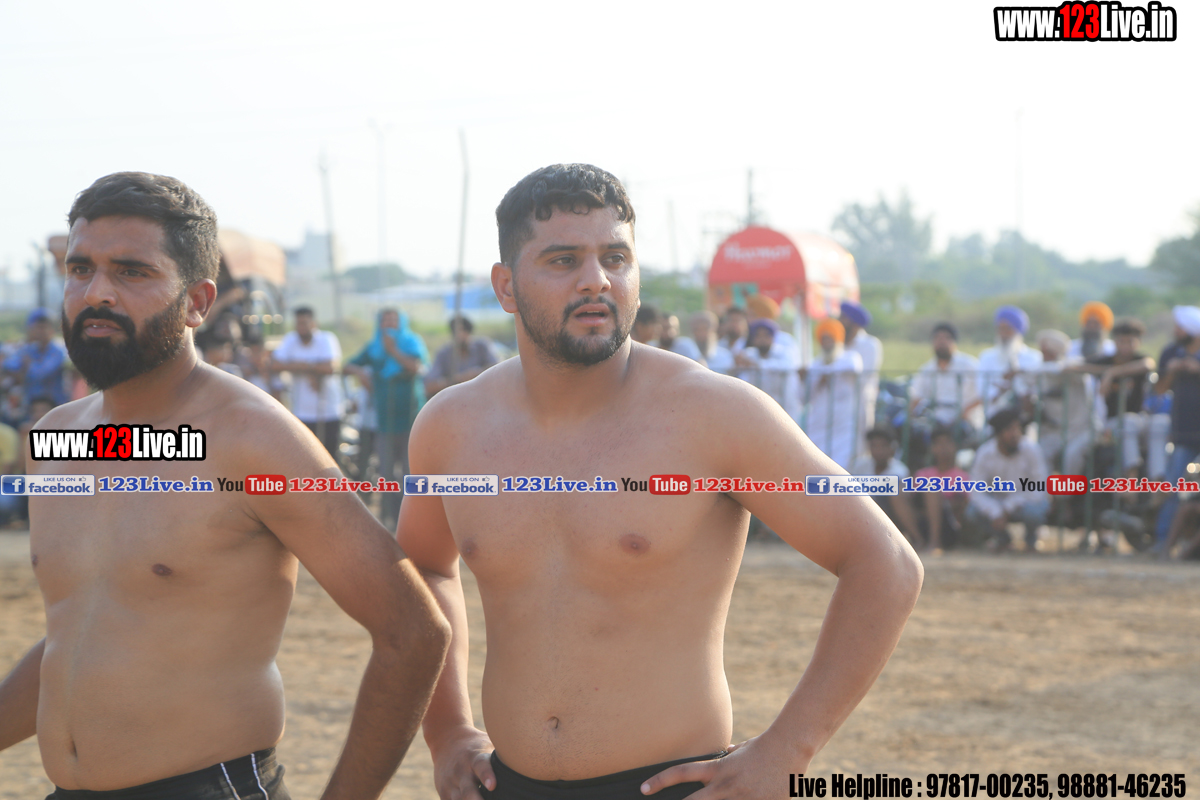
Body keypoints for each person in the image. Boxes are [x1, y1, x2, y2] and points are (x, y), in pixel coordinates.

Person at [398, 163, 922, 800]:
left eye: (615, 257)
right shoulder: (450, 427)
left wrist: (789, 749)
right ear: (506, 287)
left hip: (673, 786)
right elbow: (425, 569)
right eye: (563, 260)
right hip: (506, 785)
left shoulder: (714, 415)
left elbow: (886, 562)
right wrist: (446, 729)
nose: (596, 280)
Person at [0, 172, 450, 800]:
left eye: (131, 272)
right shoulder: (55, 439)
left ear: (197, 302)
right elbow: (85, 625)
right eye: (81, 269)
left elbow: (413, 631)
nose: (96, 292)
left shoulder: (251, 439)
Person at [345, 308, 429, 529]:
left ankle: (414, 521)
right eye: (385, 320)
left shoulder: (411, 342)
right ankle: (389, 519)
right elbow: (348, 366)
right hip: (385, 421)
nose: (389, 324)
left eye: (394, 320)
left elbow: (415, 367)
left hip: (411, 419)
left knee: (411, 472)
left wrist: (393, 350)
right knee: (386, 472)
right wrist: (361, 373)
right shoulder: (374, 347)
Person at [1071, 318, 1159, 476]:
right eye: (1121, 341)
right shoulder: (1106, 360)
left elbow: (1148, 364)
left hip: (1139, 419)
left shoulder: (1139, 360)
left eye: (1130, 341)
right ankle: (1131, 476)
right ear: (1115, 342)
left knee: (1154, 424)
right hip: (1112, 422)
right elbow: (1076, 366)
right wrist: (1104, 370)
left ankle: (1156, 479)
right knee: (1127, 422)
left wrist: (1112, 373)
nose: (1125, 346)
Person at [968, 408, 1050, 553]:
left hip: (1025, 503)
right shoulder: (985, 453)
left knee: (1034, 512)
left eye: (1017, 428)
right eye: (1010, 429)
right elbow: (976, 491)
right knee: (972, 512)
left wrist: (1008, 507)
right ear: (998, 434)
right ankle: (1003, 539)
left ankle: (1031, 541)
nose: (1015, 434)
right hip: (997, 504)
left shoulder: (1032, 449)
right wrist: (996, 512)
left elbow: (1039, 488)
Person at [1153, 305, 1200, 549]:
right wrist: (1171, 371)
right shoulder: (1171, 352)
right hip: (1184, 431)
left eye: (1180, 327)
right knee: (1173, 487)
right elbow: (1159, 389)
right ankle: (1162, 542)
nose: (1176, 331)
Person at [271, 306, 344, 459]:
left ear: (313, 323)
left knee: (330, 458)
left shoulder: (327, 338)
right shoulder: (291, 339)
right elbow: (274, 364)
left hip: (328, 411)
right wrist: (309, 369)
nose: (301, 327)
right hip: (301, 412)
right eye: (298, 323)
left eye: (304, 323)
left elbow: (330, 367)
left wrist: (303, 367)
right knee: (304, 459)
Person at [1032, 329, 1102, 475]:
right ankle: (1044, 490)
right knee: (1039, 455)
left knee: (1071, 457)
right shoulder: (1039, 371)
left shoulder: (1072, 365)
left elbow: (1078, 368)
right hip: (1053, 431)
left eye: (1047, 351)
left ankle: (1066, 490)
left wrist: (1065, 369)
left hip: (1080, 430)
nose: (1044, 355)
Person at [803, 317, 863, 468]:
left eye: (830, 338)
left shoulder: (849, 357)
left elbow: (853, 367)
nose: (827, 343)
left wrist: (826, 372)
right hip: (819, 424)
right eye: (824, 339)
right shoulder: (815, 364)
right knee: (816, 465)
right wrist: (813, 379)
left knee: (840, 466)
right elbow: (804, 397)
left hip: (843, 425)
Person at [908, 322, 983, 437]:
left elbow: (983, 395)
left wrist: (964, 413)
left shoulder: (969, 365)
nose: (941, 342)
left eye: (946, 338)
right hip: (936, 420)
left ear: (954, 342)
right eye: (937, 338)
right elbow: (916, 398)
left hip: (965, 421)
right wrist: (908, 420)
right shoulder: (927, 369)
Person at [850, 428, 919, 548]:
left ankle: (917, 539)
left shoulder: (899, 469)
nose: (878, 450)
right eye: (874, 446)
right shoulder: (860, 465)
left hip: (890, 514)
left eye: (883, 446)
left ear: (892, 448)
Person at [912, 427, 971, 553]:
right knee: (897, 489)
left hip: (948, 527)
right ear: (932, 448)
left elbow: (963, 507)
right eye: (938, 443)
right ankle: (918, 539)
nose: (943, 447)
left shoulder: (963, 477)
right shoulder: (922, 474)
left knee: (931, 488)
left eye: (947, 442)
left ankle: (935, 541)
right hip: (922, 523)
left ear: (954, 446)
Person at [976, 305, 1042, 416]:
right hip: (994, 416)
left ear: (1018, 330)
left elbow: (1036, 391)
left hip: (1024, 417)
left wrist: (1017, 381)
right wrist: (1002, 389)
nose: (1003, 334)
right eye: (1000, 328)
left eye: (1008, 329)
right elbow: (982, 392)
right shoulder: (987, 357)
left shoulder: (1034, 357)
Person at [3, 308, 69, 408]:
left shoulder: (59, 351)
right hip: (31, 405)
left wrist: (25, 368)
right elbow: (8, 365)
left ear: (52, 330)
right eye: (36, 328)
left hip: (54, 404)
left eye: (43, 327)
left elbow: (40, 373)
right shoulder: (30, 348)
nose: (40, 331)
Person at [425, 315, 502, 398]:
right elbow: (430, 386)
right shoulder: (444, 354)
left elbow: (497, 369)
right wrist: (457, 380)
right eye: (456, 332)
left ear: (469, 332)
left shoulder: (482, 347)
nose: (460, 335)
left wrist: (476, 374)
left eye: (463, 331)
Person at [840, 300, 882, 447]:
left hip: (860, 405)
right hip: (838, 408)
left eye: (843, 318)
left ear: (854, 323)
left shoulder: (870, 344)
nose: (839, 321)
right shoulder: (839, 344)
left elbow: (863, 377)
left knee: (859, 446)